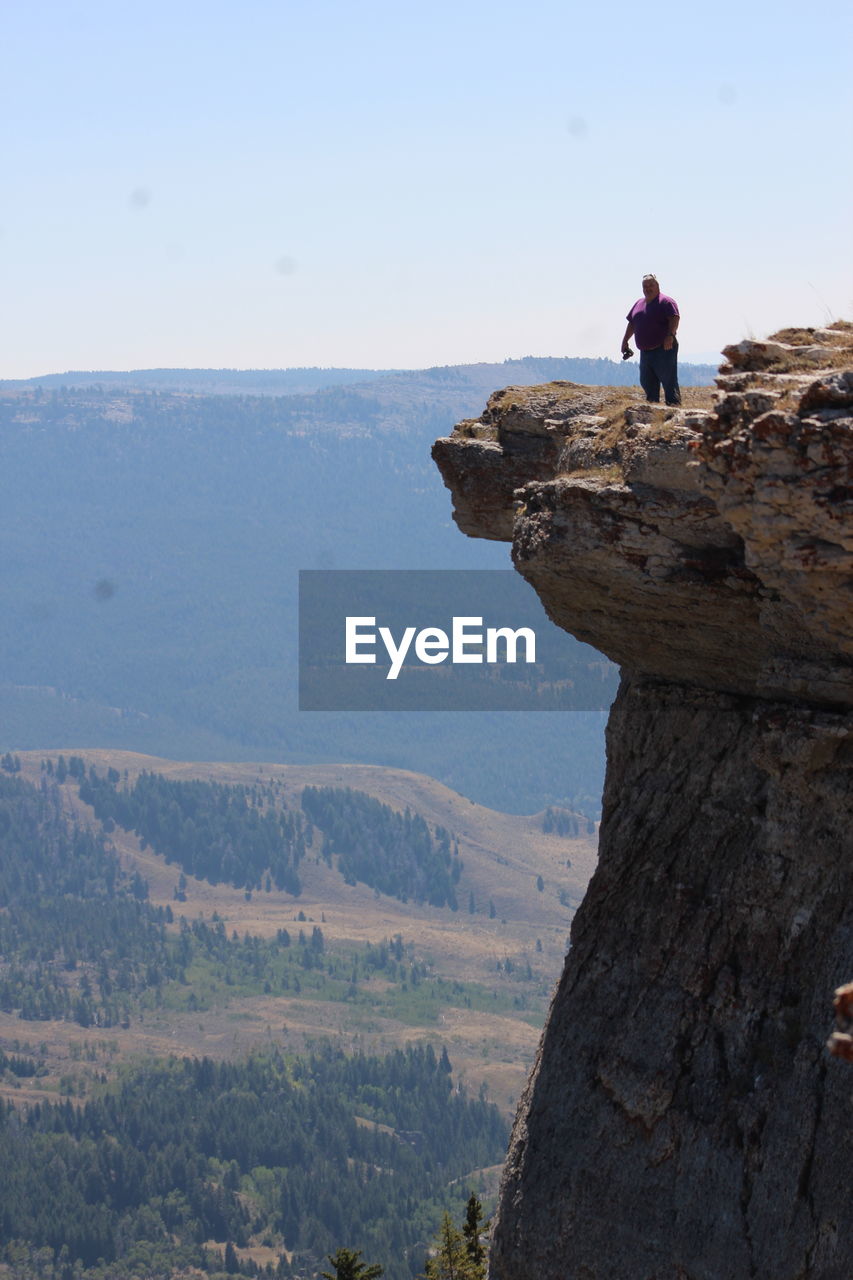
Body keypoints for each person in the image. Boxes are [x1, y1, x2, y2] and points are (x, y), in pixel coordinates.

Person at [621, 274, 681, 405]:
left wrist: (670, 336)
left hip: (664, 348)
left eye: (651, 285)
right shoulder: (639, 303)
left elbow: (674, 318)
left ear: (658, 286)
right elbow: (632, 323)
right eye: (645, 286)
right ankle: (652, 409)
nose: (648, 288)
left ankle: (674, 408)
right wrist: (625, 340)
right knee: (647, 381)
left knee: (668, 380)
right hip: (645, 351)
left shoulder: (666, 302)